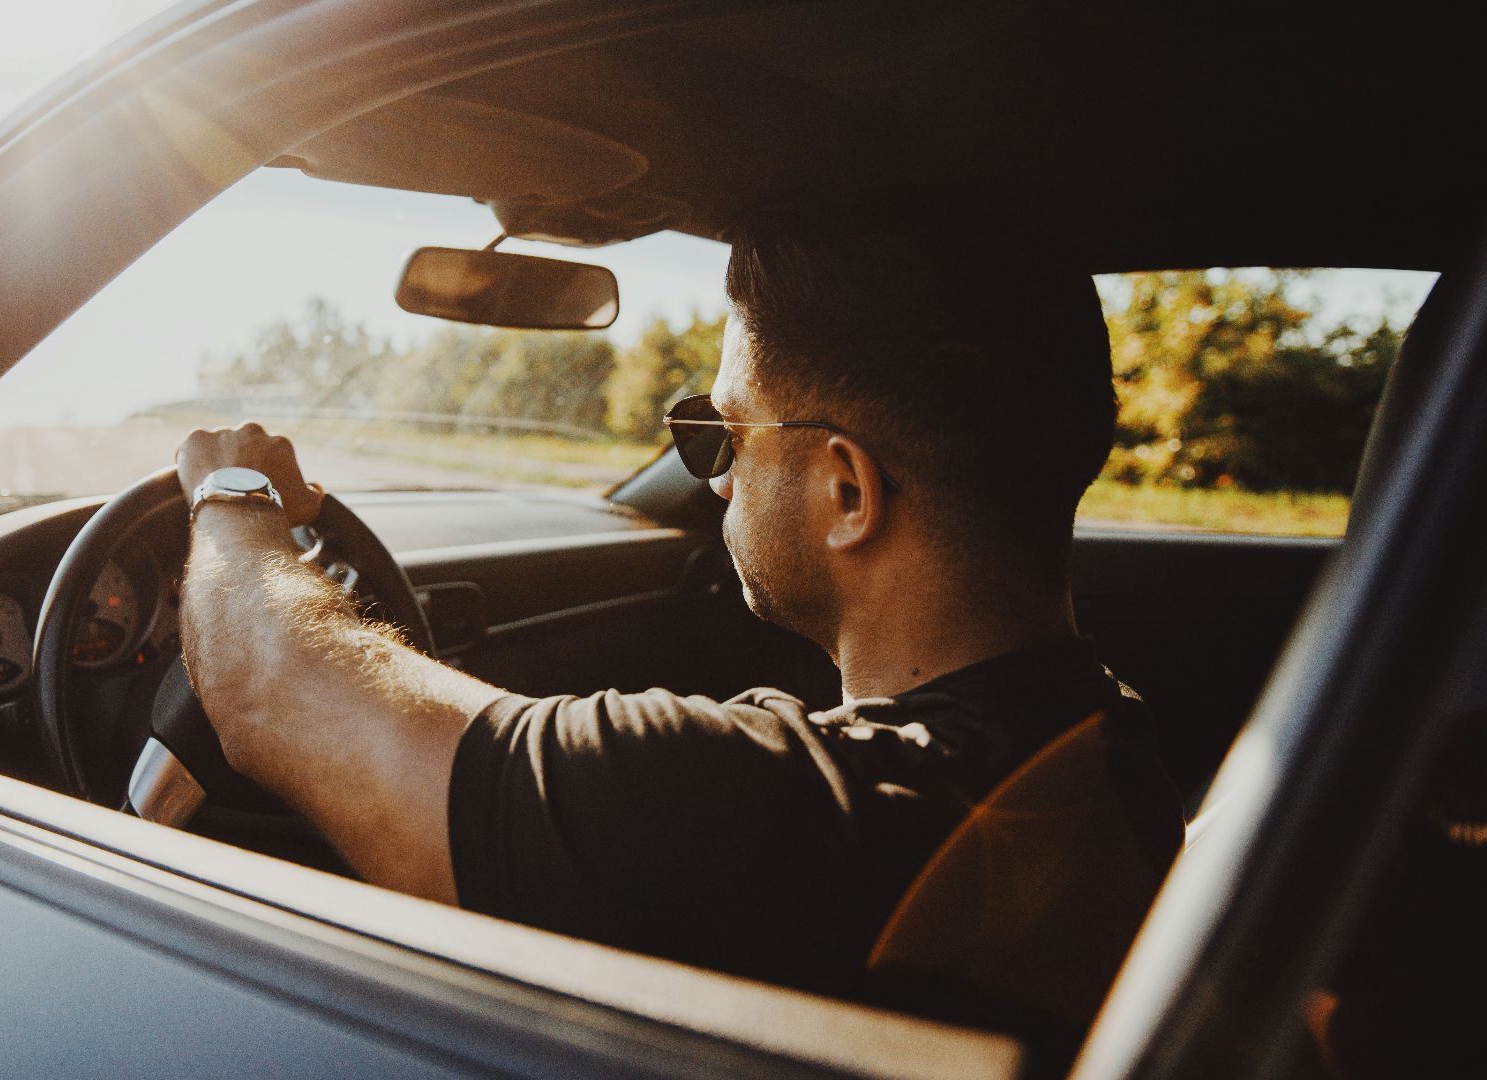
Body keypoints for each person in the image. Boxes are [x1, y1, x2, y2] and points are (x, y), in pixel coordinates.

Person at [173, 193, 1182, 1003]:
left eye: (725, 433)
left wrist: (233, 496)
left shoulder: (763, 811)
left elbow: (266, 688)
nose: (717, 480)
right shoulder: (1110, 740)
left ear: (845, 492)